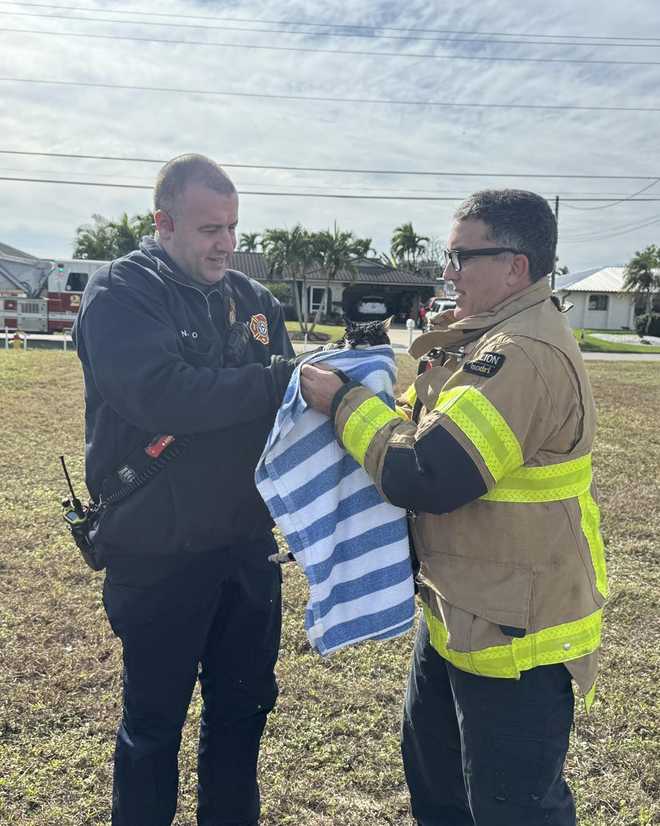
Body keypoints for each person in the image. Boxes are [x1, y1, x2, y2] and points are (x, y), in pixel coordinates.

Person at [301, 189, 607, 826]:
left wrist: (344, 404)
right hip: (462, 612)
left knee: (513, 811)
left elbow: (426, 472)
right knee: (440, 796)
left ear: (515, 266)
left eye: (462, 257)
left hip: (516, 637)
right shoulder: (486, 339)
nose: (448, 271)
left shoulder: (521, 354)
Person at [73, 153, 295, 826]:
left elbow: (286, 418)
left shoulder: (256, 302)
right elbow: (162, 395)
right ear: (163, 223)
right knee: (153, 725)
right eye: (208, 229)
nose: (227, 244)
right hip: (158, 552)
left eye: (233, 227)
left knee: (242, 715)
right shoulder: (120, 292)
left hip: (246, 551)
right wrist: (279, 380)